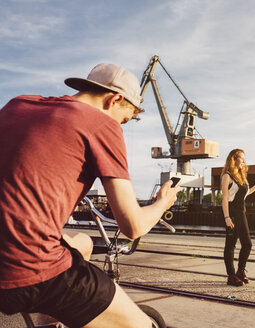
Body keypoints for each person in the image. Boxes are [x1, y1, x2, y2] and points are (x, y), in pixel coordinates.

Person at [0, 63, 180, 328]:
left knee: (82, 243)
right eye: (125, 119)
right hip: (24, 270)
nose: (121, 125)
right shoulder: (102, 124)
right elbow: (132, 226)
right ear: (115, 99)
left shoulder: (18, 104)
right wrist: (163, 201)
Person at [221, 149, 255, 286]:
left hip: (241, 213)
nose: (244, 161)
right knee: (230, 245)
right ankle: (231, 275)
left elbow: (243, 195)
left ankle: (240, 272)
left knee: (247, 244)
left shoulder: (241, 176)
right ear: (234, 159)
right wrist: (227, 217)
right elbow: (225, 198)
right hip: (232, 213)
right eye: (242, 158)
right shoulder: (227, 176)